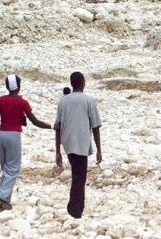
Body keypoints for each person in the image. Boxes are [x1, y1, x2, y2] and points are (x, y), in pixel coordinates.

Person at [0, 75, 52, 210]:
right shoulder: (23, 102)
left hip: (1, 135)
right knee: (13, 169)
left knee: (6, 168)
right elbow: (35, 122)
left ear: (7, 87)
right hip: (14, 136)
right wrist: (51, 126)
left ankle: (5, 201)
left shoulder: (0, 100)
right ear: (19, 86)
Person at [54, 72, 102, 219]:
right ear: (82, 83)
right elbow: (95, 126)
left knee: (77, 174)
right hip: (80, 142)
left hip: (68, 142)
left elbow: (58, 126)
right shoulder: (88, 100)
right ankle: (75, 210)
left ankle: (75, 207)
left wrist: (58, 151)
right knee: (79, 176)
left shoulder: (63, 101)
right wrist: (99, 149)